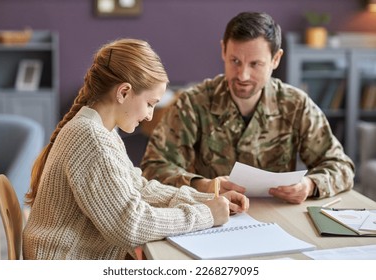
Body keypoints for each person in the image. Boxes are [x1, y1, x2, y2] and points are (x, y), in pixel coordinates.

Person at [22, 38, 248, 260]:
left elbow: (139, 189)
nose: (150, 115)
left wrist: (205, 198)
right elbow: (131, 224)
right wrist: (206, 214)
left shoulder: (101, 130)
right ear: (123, 92)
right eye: (150, 103)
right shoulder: (92, 139)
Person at [141, 12, 355, 204]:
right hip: (210, 216)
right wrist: (204, 185)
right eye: (235, 61)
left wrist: (310, 186)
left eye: (255, 64)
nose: (242, 75)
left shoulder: (296, 105)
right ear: (223, 50)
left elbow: (341, 166)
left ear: (276, 59)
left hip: (276, 219)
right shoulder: (192, 103)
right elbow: (153, 169)